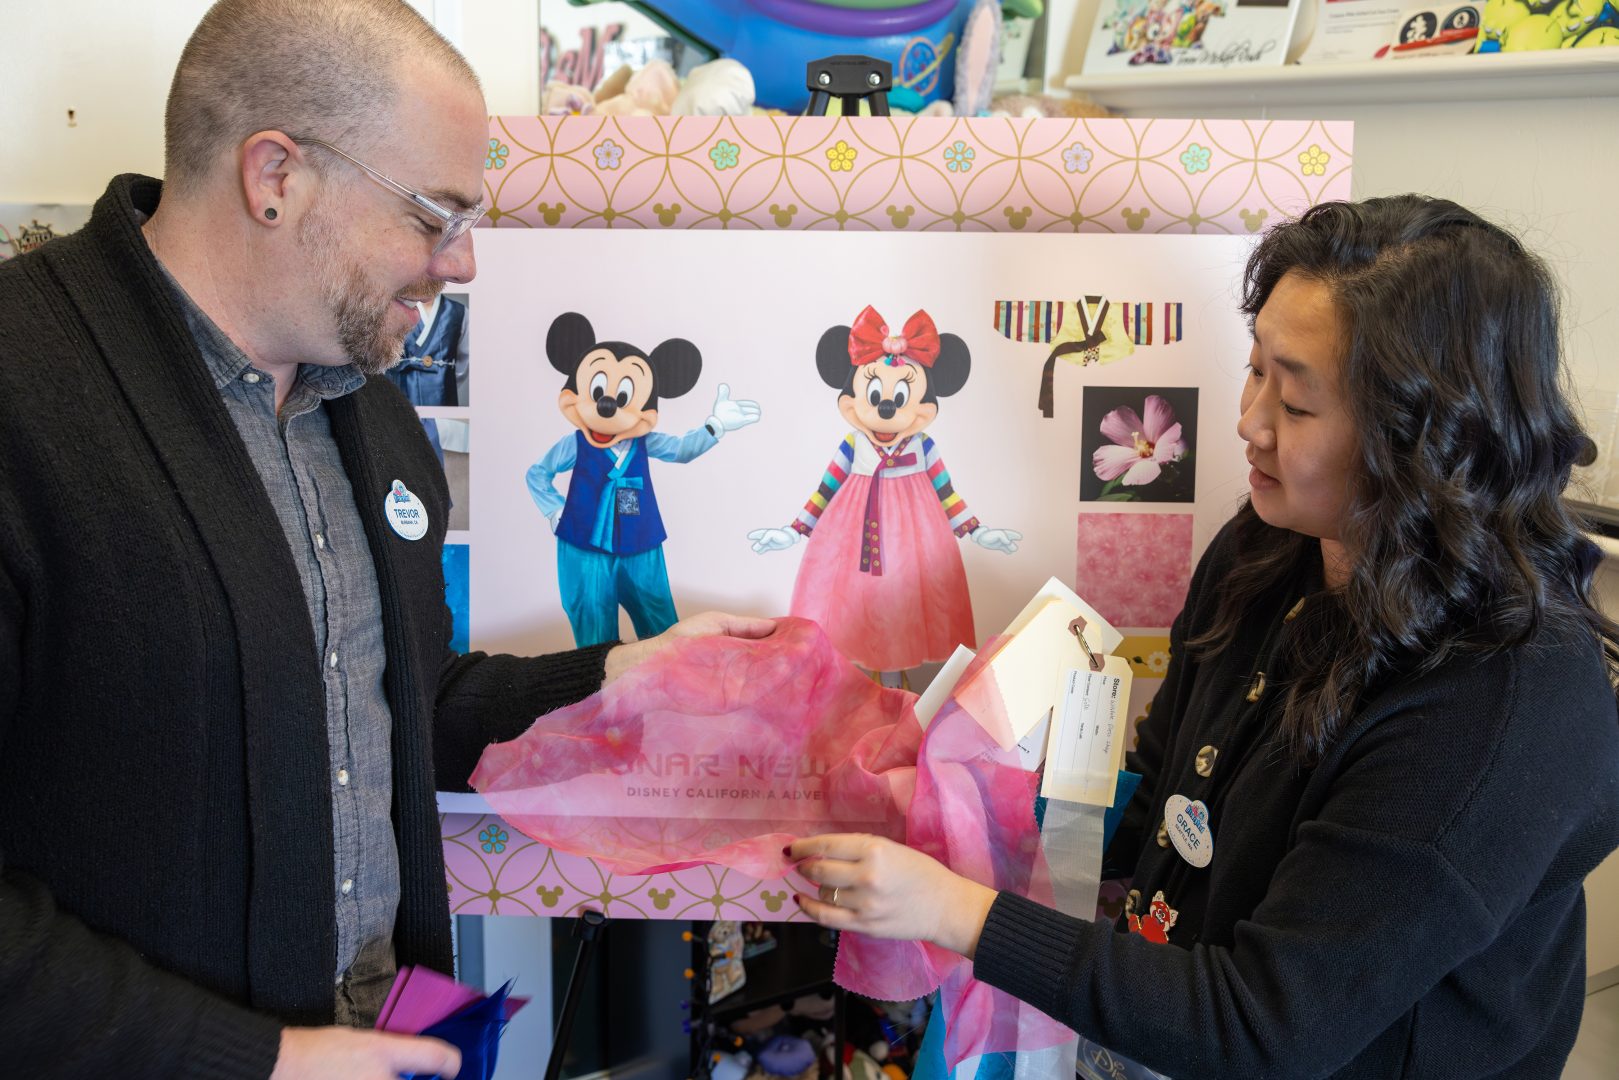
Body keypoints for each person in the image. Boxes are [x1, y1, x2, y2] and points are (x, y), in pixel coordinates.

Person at [0, 2, 771, 1077]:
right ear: (276, 176)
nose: (459, 265)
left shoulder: (369, 412)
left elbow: (402, 704)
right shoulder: (25, 389)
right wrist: (260, 1060)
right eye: (431, 216)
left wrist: (621, 677)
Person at [789, 196, 1619, 1078]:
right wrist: (953, 803)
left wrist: (957, 911)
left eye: (1295, 403)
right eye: (1254, 370)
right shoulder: (1269, 550)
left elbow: (1262, 1026)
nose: (1247, 423)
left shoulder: (1496, 708)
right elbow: (1160, 799)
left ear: (1426, 437)